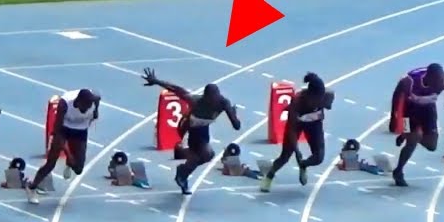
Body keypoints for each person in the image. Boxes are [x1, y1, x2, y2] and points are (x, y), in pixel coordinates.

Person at [140, 67, 241, 195]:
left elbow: (237, 126)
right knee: (204, 153)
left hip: (203, 128)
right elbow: (177, 90)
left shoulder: (224, 103)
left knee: (206, 156)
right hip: (188, 127)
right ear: (206, 98)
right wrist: (156, 81)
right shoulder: (195, 101)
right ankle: (183, 171)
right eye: (212, 99)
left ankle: (183, 171)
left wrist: (233, 114)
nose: (215, 101)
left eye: (217, 97)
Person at [260, 72, 334, 192]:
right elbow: (291, 130)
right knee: (285, 157)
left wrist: (325, 107)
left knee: (319, 158)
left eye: (321, 98)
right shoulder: (296, 103)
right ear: (309, 95)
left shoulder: (327, 97)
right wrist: (297, 150)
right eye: (316, 99)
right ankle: (269, 176)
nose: (318, 101)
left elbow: (328, 103)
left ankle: (304, 165)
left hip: (314, 125)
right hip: (297, 125)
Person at [24, 89, 100, 205]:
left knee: (78, 169)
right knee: (50, 163)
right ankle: (32, 187)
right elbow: (57, 131)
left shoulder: (94, 101)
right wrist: (68, 155)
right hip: (63, 130)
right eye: (84, 106)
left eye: (89, 106)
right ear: (78, 102)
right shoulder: (64, 104)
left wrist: (95, 112)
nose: (86, 109)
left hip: (80, 131)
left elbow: (96, 108)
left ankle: (70, 164)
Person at [390, 63, 444, 187]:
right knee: (412, 141)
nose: (440, 85)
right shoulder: (409, 81)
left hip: (428, 109)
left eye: (441, 82)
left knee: (432, 146)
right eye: (437, 82)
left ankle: (407, 135)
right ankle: (398, 171)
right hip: (408, 111)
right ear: (428, 77)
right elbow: (396, 96)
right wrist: (393, 117)